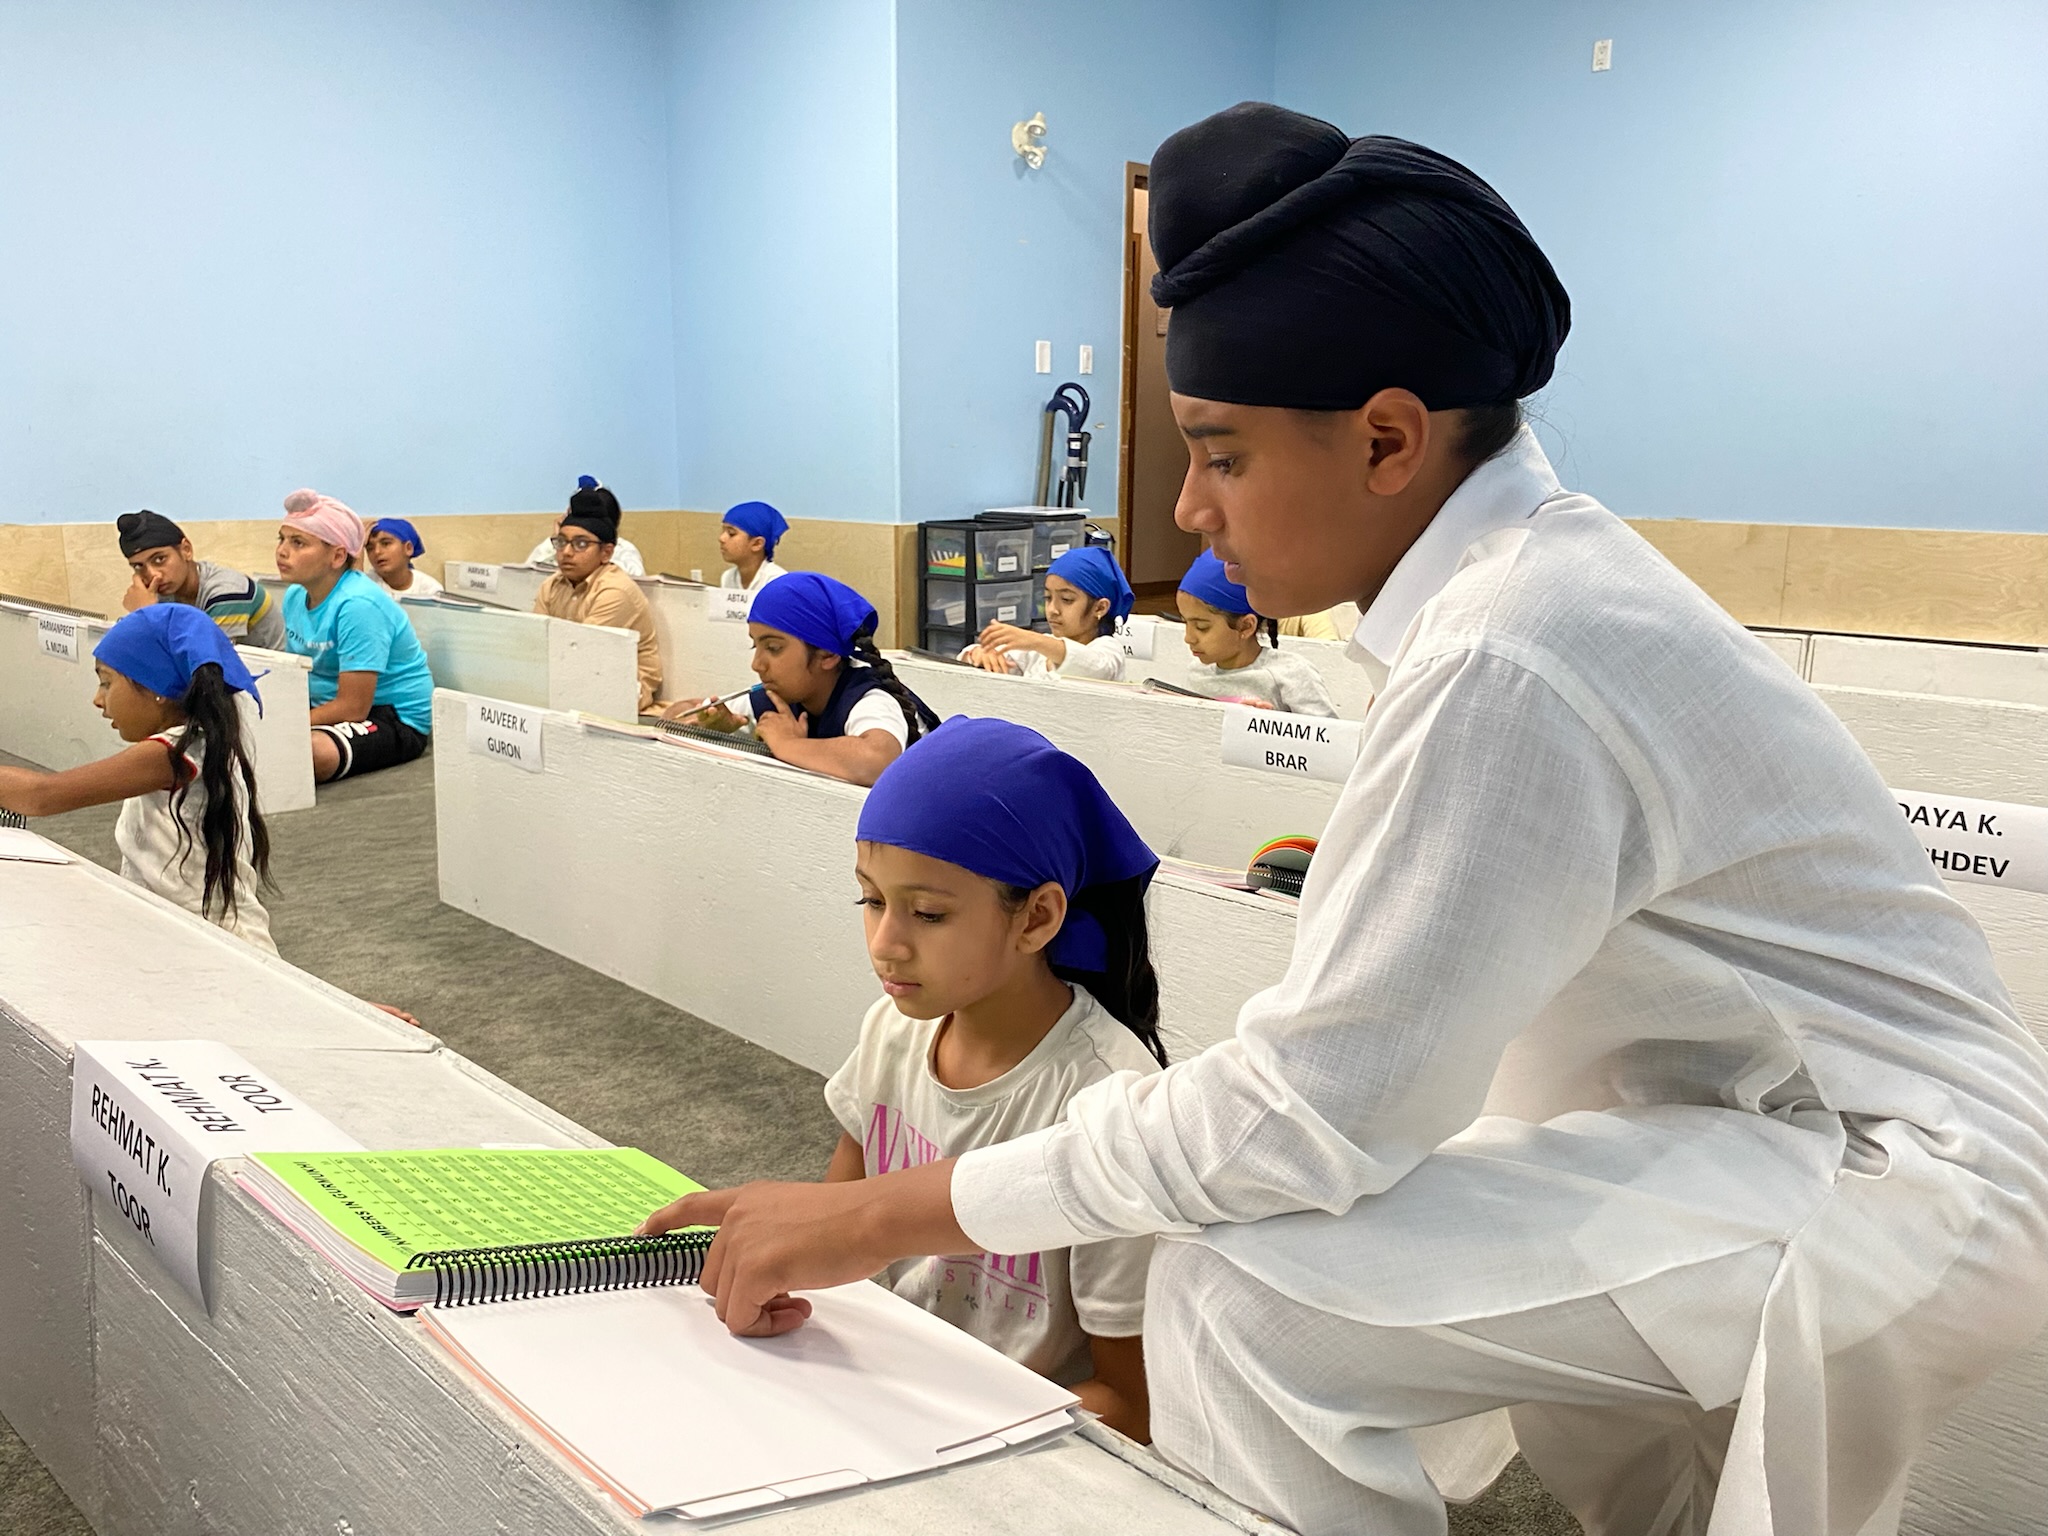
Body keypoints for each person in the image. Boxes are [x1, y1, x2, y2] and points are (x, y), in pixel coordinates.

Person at [627, 102, 2048, 1536]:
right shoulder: (1514, 595)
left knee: (1241, 1295)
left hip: (1888, 1171)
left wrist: (873, 1215)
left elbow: (1309, 1115)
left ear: (1385, 441)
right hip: (1731, 1136)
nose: (1189, 512)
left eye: (1220, 455)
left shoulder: (1513, 643)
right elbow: (1339, 1088)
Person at [656, 717, 1162, 1436]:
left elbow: (1132, 1405)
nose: (885, 944)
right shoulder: (893, 1034)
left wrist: (937, 1429)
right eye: (871, 900)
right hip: (879, 1395)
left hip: (1000, 1442)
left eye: (927, 912)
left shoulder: (1108, 1104)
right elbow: (832, 1228)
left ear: (1037, 917)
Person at [0, 604, 274, 952]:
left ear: (156, 688)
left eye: (106, 682)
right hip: (179, 937)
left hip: (219, 947)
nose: (97, 699)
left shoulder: (172, 754)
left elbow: (42, 796)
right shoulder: (196, 744)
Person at [665, 571, 936, 786]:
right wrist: (715, 724)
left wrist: (788, 744)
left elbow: (876, 761)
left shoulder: (869, 699)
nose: (756, 664)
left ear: (827, 655)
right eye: (755, 646)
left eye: (773, 648)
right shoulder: (779, 696)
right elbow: (674, 715)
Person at [276, 489, 435, 783]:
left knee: (307, 752)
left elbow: (353, 707)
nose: (282, 551)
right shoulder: (295, 596)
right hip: (327, 705)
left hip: (391, 716)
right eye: (282, 539)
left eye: (298, 542)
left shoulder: (358, 605)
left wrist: (284, 725)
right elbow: (295, 675)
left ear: (337, 556)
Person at [531, 484, 662, 713]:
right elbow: (535, 643)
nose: (567, 552)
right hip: (570, 677)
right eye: (561, 542)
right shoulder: (551, 585)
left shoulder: (615, 591)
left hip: (623, 685)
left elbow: (581, 654)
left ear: (606, 552)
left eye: (581, 544)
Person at [1176, 549, 1337, 716]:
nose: (1188, 638)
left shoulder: (1291, 674)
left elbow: (1328, 730)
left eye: (1201, 627)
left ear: (1246, 627)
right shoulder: (1195, 674)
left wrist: (1268, 724)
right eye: (1185, 622)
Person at [115, 509, 285, 649]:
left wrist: (145, 616)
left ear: (186, 550)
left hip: (273, 677)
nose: (153, 575)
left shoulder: (227, 591)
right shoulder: (159, 593)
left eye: (160, 559)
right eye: (138, 566)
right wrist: (138, 618)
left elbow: (209, 668)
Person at [963, 546, 1132, 682]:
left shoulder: (1108, 649)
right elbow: (976, 655)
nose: (1052, 609)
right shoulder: (1036, 653)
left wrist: (1035, 640)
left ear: (1100, 608)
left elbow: (1094, 667)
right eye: (1048, 598)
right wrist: (980, 654)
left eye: (1066, 599)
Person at [525, 476, 646, 575]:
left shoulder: (625, 551)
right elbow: (529, 577)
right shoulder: (553, 545)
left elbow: (634, 582)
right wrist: (560, 541)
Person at [718, 500, 790, 596]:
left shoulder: (777, 582)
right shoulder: (728, 577)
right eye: (723, 531)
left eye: (731, 533)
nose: (721, 538)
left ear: (757, 544)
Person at [363, 517, 442, 601]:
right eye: (370, 548)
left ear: (408, 548)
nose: (377, 552)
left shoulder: (430, 590)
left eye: (386, 544)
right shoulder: (366, 585)